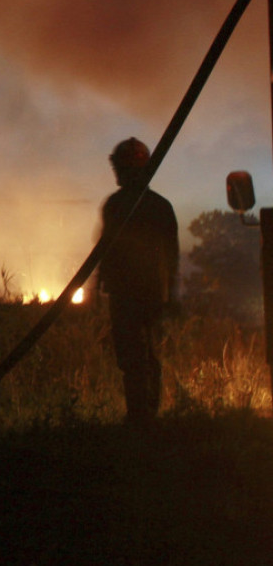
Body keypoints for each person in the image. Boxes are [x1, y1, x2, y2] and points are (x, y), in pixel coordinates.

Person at [97, 137, 179, 427]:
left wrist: (97, 290)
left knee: (137, 356)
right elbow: (105, 252)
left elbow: (171, 256)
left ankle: (141, 417)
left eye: (120, 167)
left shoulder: (120, 206)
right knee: (141, 355)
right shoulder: (156, 206)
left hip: (135, 294)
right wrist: (172, 295)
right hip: (143, 294)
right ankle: (144, 414)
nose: (117, 173)